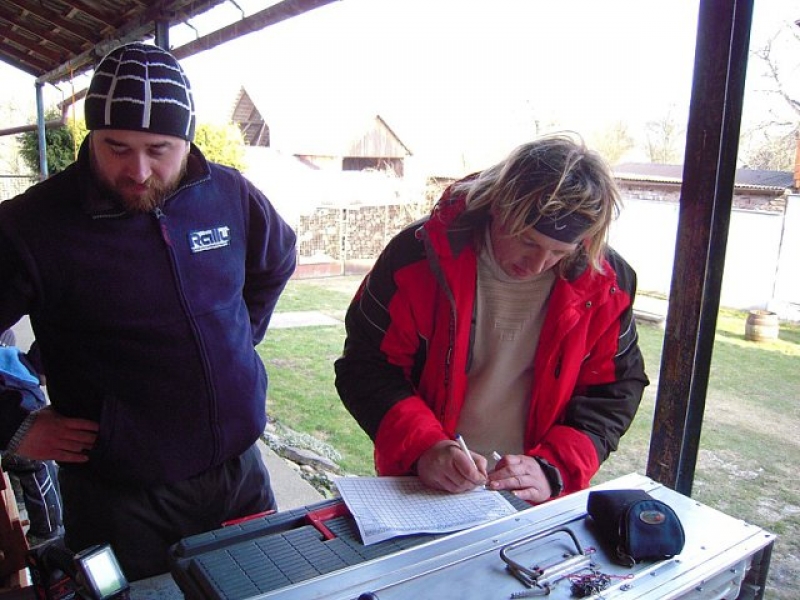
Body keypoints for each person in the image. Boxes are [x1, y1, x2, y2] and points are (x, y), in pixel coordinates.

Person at [0, 42, 297, 580]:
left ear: (187, 139)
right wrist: (14, 422)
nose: (138, 171)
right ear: (90, 135)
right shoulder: (32, 226)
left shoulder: (228, 194)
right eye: (115, 147)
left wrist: (238, 340)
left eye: (159, 149)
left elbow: (277, 259)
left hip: (240, 475)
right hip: (121, 500)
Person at [335, 133, 648, 505]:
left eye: (560, 252)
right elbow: (366, 366)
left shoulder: (608, 283)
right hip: (424, 482)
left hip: (533, 492)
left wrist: (554, 467)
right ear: (499, 207)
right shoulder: (417, 256)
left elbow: (613, 391)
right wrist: (424, 447)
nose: (539, 264)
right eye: (528, 241)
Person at [0, 329, 64, 547]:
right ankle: (47, 532)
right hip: (15, 437)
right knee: (38, 468)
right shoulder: (23, 377)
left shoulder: (11, 360)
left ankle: (18, 496)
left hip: (7, 437)